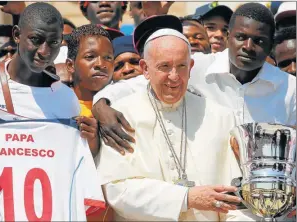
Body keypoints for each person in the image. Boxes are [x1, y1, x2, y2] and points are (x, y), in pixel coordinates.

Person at [92, 3, 296, 158]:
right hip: (205, 192)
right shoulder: (195, 68)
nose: (248, 46)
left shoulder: (289, 88)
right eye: (241, 37)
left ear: (271, 45)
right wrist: (102, 104)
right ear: (227, 36)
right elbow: (132, 85)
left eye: (259, 41)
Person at [96, 28, 249, 221]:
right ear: (145, 68)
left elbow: (235, 195)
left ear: (191, 66)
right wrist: (186, 198)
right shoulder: (121, 116)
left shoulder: (221, 116)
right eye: (165, 66)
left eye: (181, 66)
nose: (174, 76)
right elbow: (117, 189)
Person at [0, 2, 99, 156]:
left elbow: (67, 158)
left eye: (53, 42)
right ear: (16, 35)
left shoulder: (66, 99)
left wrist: (91, 142)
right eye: (35, 39)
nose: (44, 51)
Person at [66, 24, 114, 119]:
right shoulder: (58, 106)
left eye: (108, 57)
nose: (100, 64)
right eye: (90, 57)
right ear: (70, 65)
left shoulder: (122, 104)